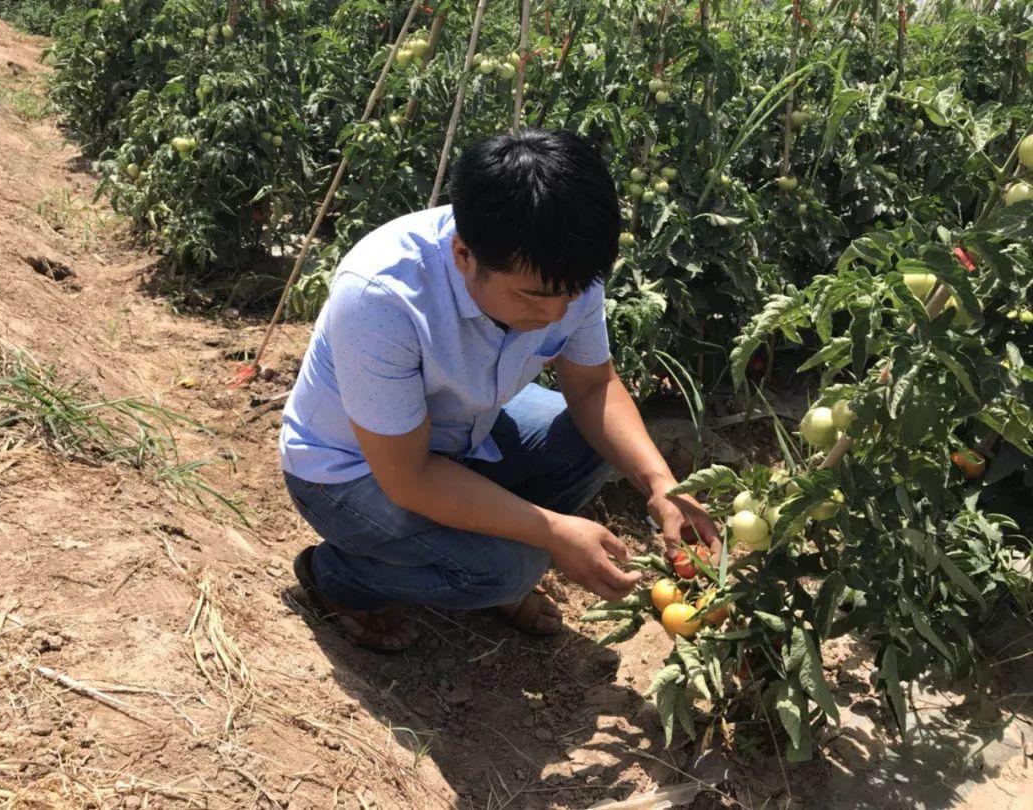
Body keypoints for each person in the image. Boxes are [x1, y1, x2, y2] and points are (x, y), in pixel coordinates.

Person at [280, 128, 720, 652]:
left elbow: (593, 386)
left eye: (570, 295)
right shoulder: (382, 296)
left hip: (464, 432)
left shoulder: (560, 265)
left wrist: (659, 486)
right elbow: (411, 477)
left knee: (588, 444)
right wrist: (553, 532)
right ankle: (340, 578)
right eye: (531, 298)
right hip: (353, 473)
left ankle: (478, 548)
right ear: (464, 255)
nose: (555, 314)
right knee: (508, 570)